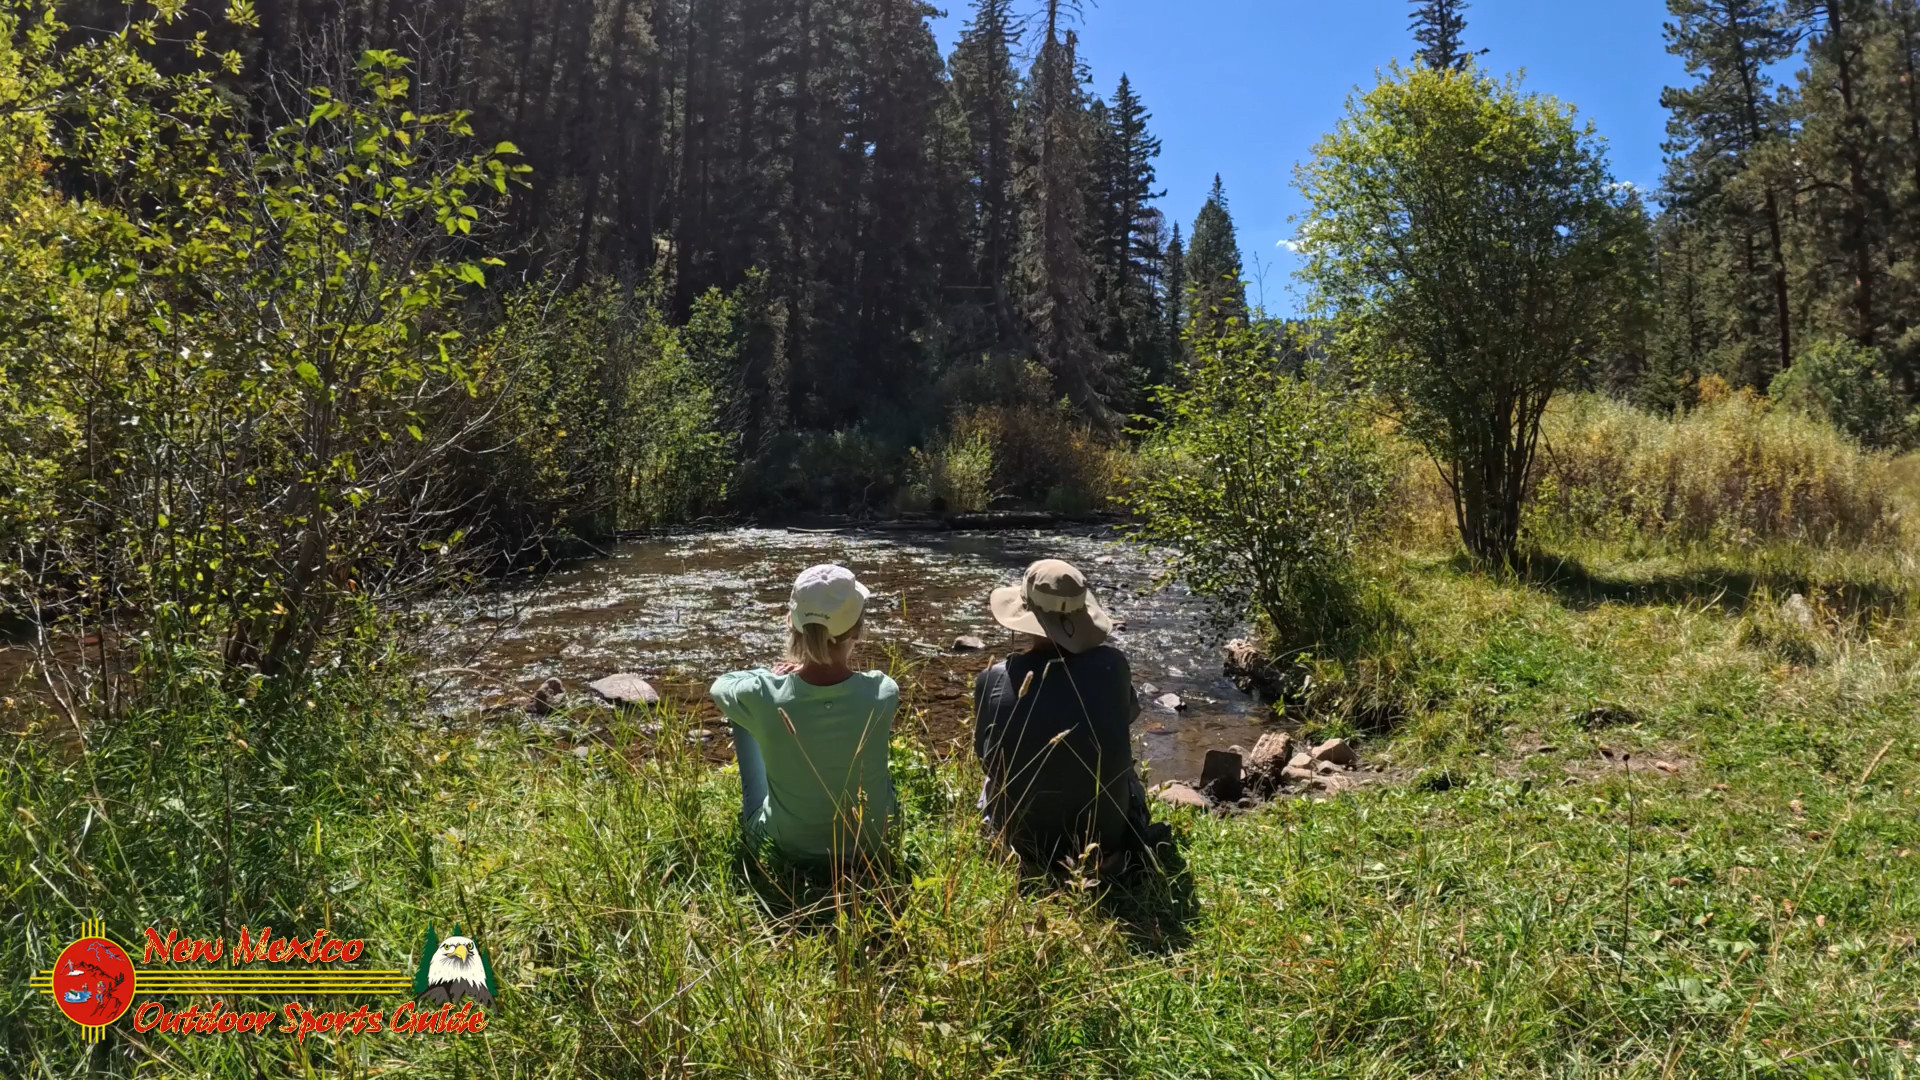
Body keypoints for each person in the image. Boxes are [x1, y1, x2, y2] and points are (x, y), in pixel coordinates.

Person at [710, 564, 899, 867]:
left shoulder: (764, 692)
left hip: (787, 844)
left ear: (792, 625)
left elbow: (720, 687)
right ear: (856, 630)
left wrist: (769, 676)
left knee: (743, 710)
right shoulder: (884, 691)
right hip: (871, 840)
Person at [972, 558, 1155, 869]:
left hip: (1022, 844)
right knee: (1129, 776)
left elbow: (986, 757)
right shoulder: (1114, 667)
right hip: (1104, 841)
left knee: (990, 783)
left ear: (1025, 614)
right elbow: (1125, 718)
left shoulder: (993, 679)